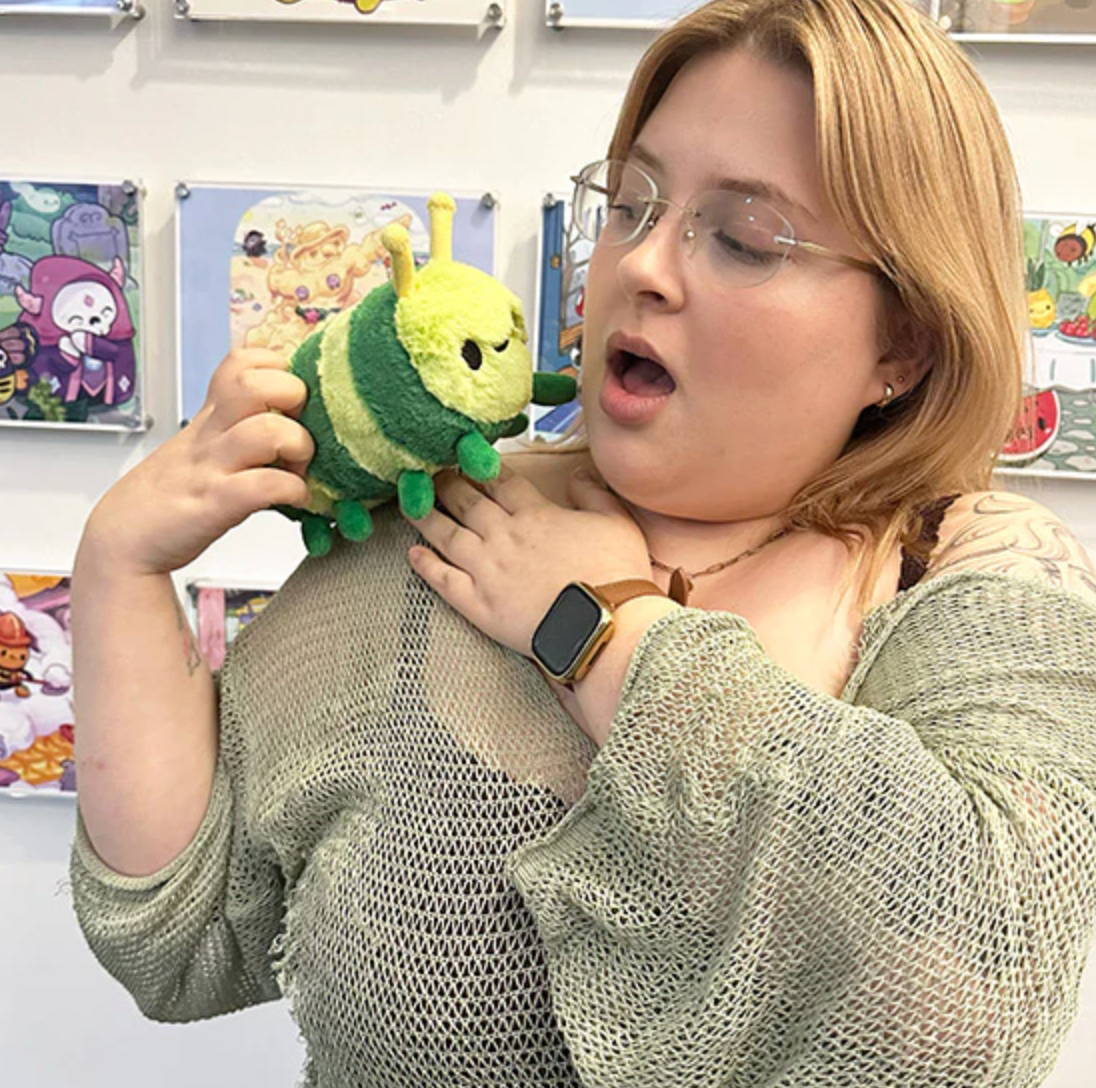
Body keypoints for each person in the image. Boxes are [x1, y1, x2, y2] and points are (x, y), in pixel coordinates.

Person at [69, 0, 1096, 1085]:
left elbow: (985, 991)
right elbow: (182, 936)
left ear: (907, 341)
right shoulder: (450, 523)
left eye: (744, 236)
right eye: (632, 204)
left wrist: (602, 628)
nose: (642, 262)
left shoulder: (979, 575)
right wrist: (120, 567)